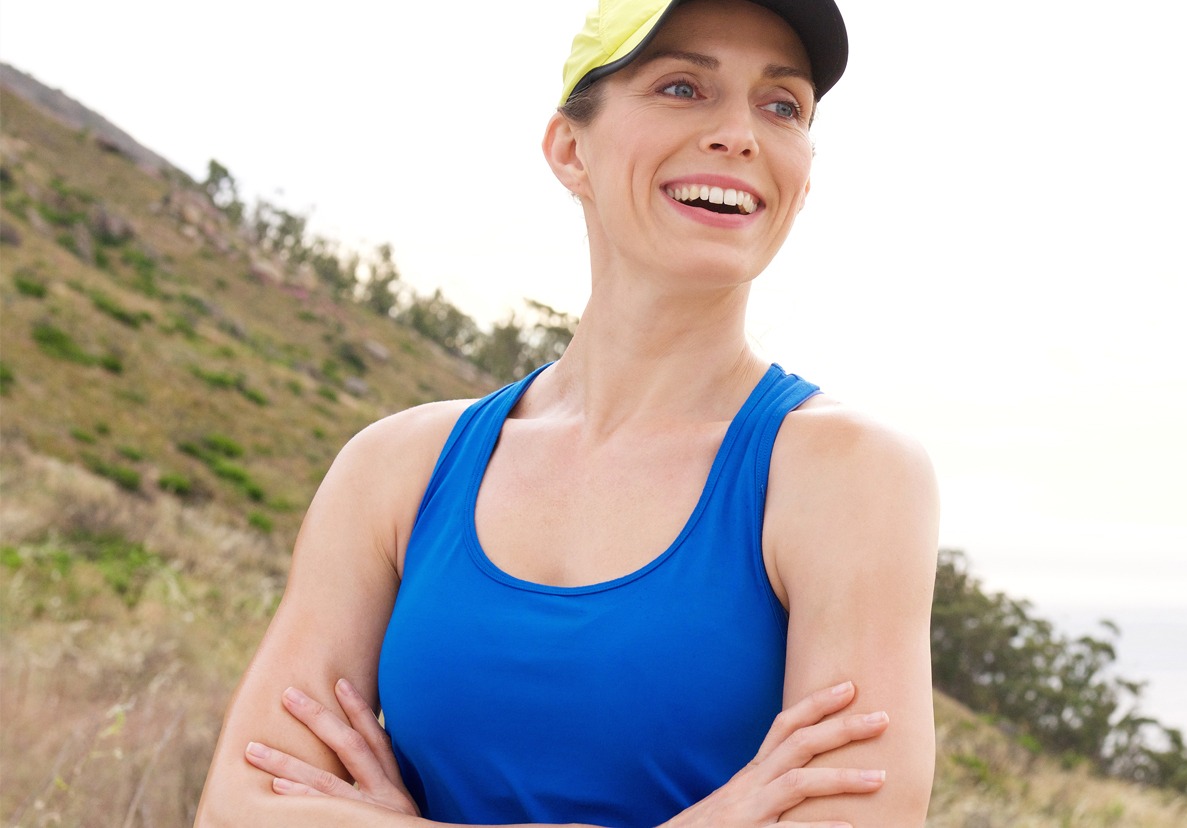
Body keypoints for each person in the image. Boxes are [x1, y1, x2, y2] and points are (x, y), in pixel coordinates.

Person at [194, 0, 939, 825]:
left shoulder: (849, 476)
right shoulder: (396, 467)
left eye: (782, 105)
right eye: (684, 87)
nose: (741, 134)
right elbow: (240, 805)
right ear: (569, 148)